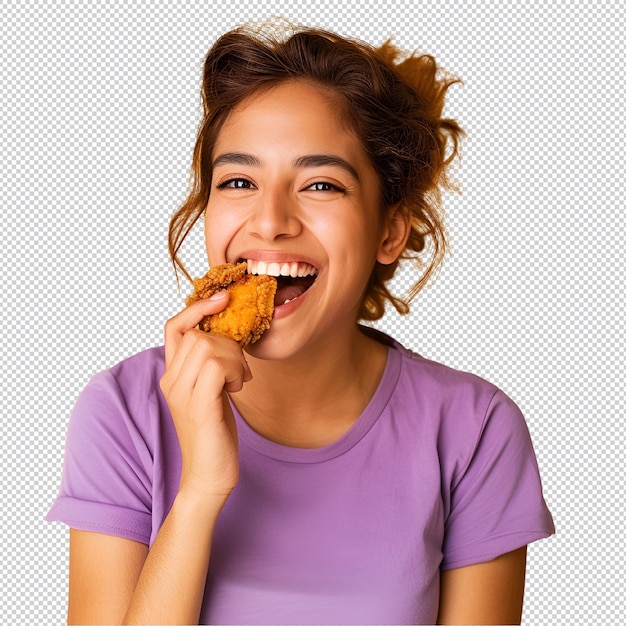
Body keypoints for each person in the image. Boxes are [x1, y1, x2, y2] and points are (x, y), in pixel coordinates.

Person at [46, 19, 554, 625]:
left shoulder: (473, 429)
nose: (270, 220)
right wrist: (201, 490)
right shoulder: (124, 411)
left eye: (320, 184)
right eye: (238, 181)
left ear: (390, 230)